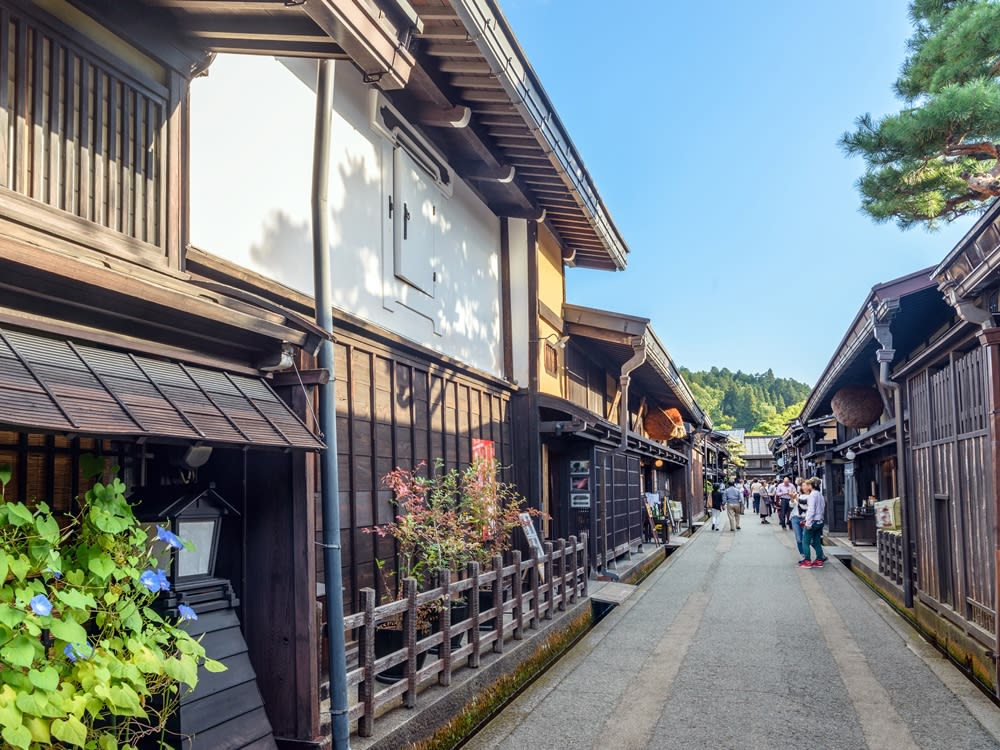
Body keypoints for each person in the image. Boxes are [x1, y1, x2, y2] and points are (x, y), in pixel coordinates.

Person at [799, 477, 828, 568]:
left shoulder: (812, 495)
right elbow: (823, 507)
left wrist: (808, 522)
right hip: (820, 521)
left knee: (805, 542)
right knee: (816, 541)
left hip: (813, 522)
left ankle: (807, 561)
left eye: (809, 484)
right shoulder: (820, 494)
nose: (807, 486)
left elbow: (811, 510)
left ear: (812, 485)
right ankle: (819, 560)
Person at [790, 480, 810, 562]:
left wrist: (796, 498)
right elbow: (792, 504)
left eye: (805, 485)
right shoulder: (798, 495)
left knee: (806, 538)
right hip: (795, 518)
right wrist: (792, 498)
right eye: (802, 486)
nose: (803, 487)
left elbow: (804, 506)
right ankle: (804, 555)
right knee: (798, 538)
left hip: (805, 518)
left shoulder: (811, 496)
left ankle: (818, 555)